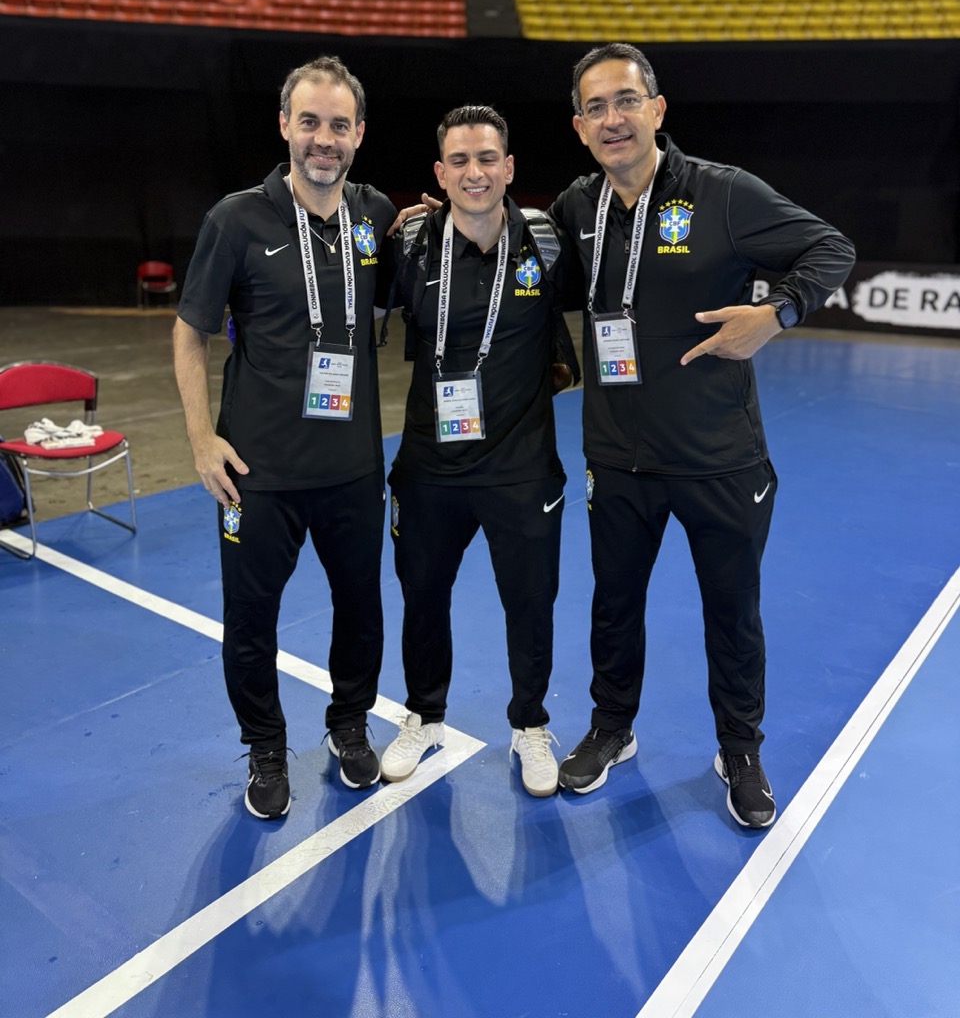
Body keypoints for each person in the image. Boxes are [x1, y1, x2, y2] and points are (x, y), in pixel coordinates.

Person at [549, 42, 855, 828]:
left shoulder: (720, 194)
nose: (612, 119)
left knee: (733, 610)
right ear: (579, 125)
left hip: (719, 456)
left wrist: (776, 313)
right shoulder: (577, 210)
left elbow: (831, 247)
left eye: (625, 101)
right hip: (617, 458)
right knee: (613, 608)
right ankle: (611, 730)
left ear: (656, 109)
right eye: (595, 107)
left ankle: (739, 750)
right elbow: (523, 272)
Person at [173, 55, 397, 820]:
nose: (323, 138)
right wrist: (202, 441)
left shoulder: (375, 215)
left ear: (359, 133)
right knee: (251, 622)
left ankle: (348, 725)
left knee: (361, 609)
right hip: (255, 472)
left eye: (339, 124)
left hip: (352, 471)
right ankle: (266, 747)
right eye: (310, 122)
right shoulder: (236, 220)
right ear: (284, 126)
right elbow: (189, 333)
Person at [380, 105, 579, 797]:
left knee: (531, 603)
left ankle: (529, 726)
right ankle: (424, 716)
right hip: (430, 469)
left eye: (488, 158)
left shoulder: (548, 240)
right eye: (460, 160)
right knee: (422, 600)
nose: (475, 172)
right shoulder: (407, 243)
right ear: (440, 172)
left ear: (510, 167)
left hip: (522, 471)